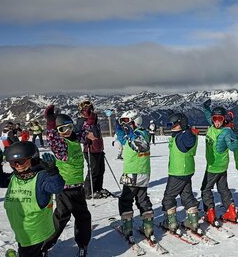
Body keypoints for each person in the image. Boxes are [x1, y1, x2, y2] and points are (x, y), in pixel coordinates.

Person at [0, 142, 65, 257]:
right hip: (21, 229)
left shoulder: (40, 177)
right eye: (13, 163)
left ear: (33, 158)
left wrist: (52, 171)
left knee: (28, 253)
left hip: (34, 231)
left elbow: (56, 187)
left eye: (21, 161)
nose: (18, 166)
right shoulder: (16, 176)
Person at [43, 105, 92, 256]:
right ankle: (45, 245)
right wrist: (51, 123)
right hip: (64, 188)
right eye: (62, 130)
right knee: (62, 217)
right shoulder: (62, 146)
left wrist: (87, 118)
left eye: (69, 127)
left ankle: (82, 244)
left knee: (80, 216)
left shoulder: (74, 139)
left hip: (78, 187)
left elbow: (84, 131)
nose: (67, 131)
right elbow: (53, 141)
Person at [115, 109, 155, 242]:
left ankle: (127, 228)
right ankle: (148, 227)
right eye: (124, 123)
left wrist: (130, 134)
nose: (125, 125)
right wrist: (120, 130)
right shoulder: (137, 134)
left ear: (135, 121)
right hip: (143, 173)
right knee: (142, 199)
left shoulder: (139, 135)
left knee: (125, 200)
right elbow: (125, 140)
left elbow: (140, 145)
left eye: (128, 122)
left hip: (133, 173)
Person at [201, 99, 238, 226]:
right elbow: (207, 115)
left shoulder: (226, 132)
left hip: (213, 167)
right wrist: (206, 107)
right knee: (223, 188)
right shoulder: (212, 126)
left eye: (220, 118)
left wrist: (234, 139)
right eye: (215, 118)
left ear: (224, 119)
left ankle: (210, 212)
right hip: (222, 166)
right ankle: (231, 209)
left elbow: (233, 147)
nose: (217, 121)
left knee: (206, 189)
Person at [162, 113, 200, 233]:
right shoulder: (179, 135)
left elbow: (189, 141)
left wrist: (186, 128)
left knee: (169, 196)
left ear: (181, 123)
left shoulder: (184, 135)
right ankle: (192, 221)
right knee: (186, 195)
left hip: (178, 172)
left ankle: (171, 222)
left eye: (174, 124)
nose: (171, 126)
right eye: (170, 124)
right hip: (186, 171)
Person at [75, 100, 108, 200]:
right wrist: (85, 138)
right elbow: (77, 134)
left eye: (90, 108)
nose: (88, 111)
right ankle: (88, 191)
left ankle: (98, 188)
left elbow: (97, 133)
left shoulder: (94, 119)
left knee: (100, 170)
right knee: (93, 170)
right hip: (89, 149)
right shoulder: (81, 121)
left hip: (98, 148)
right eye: (85, 109)